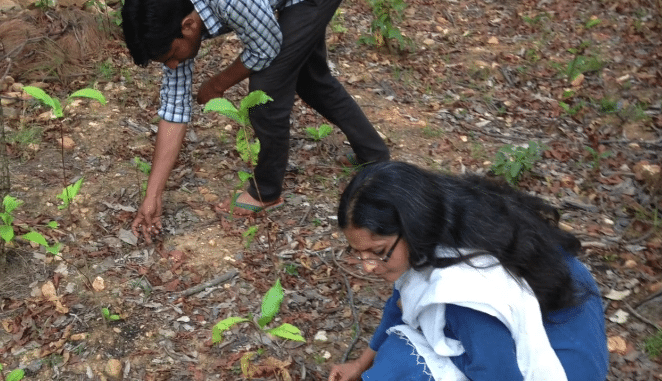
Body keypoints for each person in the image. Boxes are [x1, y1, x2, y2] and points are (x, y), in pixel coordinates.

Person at [121, 0, 390, 241]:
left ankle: (266, 192)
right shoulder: (175, 16)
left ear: (189, 25)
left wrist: (217, 84)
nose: (171, 66)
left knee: (265, 91)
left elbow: (266, 47)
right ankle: (373, 153)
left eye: (170, 57)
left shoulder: (229, 2)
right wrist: (152, 195)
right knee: (311, 79)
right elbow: (174, 109)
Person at [328, 161, 609, 381]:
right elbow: (400, 300)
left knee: (400, 364)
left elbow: (499, 375)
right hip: (556, 293)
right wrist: (360, 362)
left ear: (412, 227)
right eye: (358, 253)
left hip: (566, 353)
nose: (367, 266)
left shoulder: (462, 295)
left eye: (377, 252)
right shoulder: (445, 211)